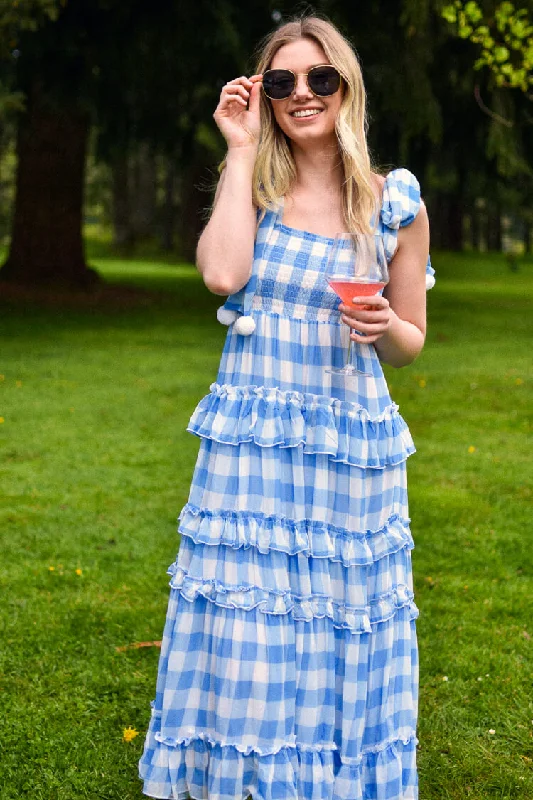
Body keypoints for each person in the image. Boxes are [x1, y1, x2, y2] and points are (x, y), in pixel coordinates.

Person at [138, 14, 432, 800]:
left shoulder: (392, 202)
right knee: (250, 612)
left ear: (345, 86)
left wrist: (386, 327)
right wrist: (236, 149)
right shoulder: (256, 189)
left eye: (318, 79)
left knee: (340, 613)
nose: (301, 95)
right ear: (263, 96)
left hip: (347, 439)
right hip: (255, 437)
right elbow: (221, 275)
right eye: (281, 82)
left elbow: (410, 343)